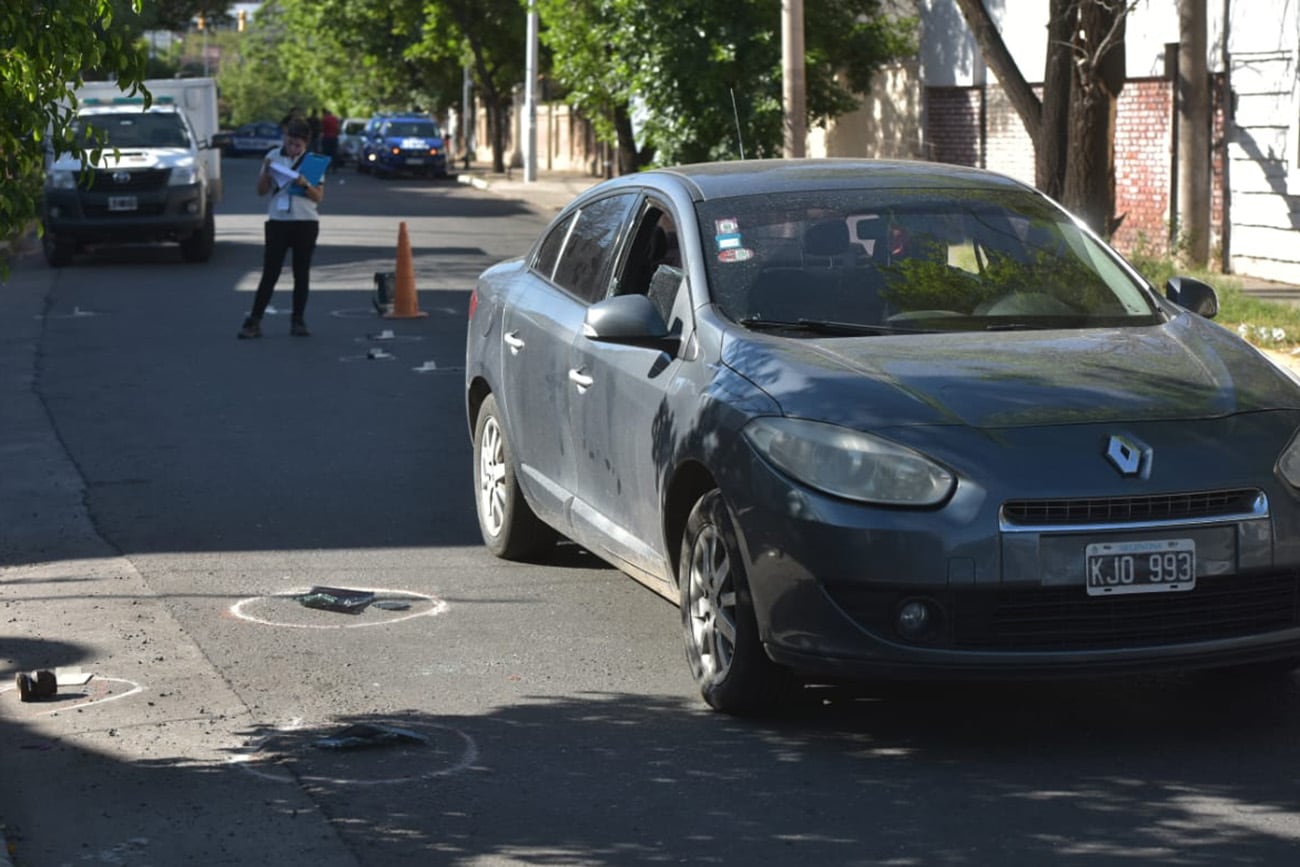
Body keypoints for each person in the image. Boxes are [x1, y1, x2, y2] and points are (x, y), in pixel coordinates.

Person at [237, 118, 325, 339]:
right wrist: (267, 173)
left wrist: (304, 184)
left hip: (305, 221)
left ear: (306, 144)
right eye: (290, 143)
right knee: (270, 271)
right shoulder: (273, 156)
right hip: (278, 221)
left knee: (301, 272)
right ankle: (254, 321)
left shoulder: (314, 161)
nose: (293, 148)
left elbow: (318, 197)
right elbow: (260, 191)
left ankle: (298, 320)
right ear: (285, 139)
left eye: (298, 145)